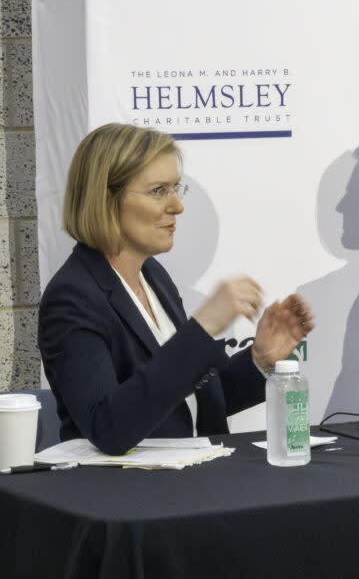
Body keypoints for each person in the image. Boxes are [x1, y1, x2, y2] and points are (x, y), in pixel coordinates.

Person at [38, 123, 314, 454]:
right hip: (126, 496)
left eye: (175, 189)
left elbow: (187, 403)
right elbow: (108, 427)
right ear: (106, 198)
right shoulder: (72, 298)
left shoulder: (154, 277)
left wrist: (259, 360)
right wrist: (204, 326)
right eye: (158, 191)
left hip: (198, 480)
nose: (177, 206)